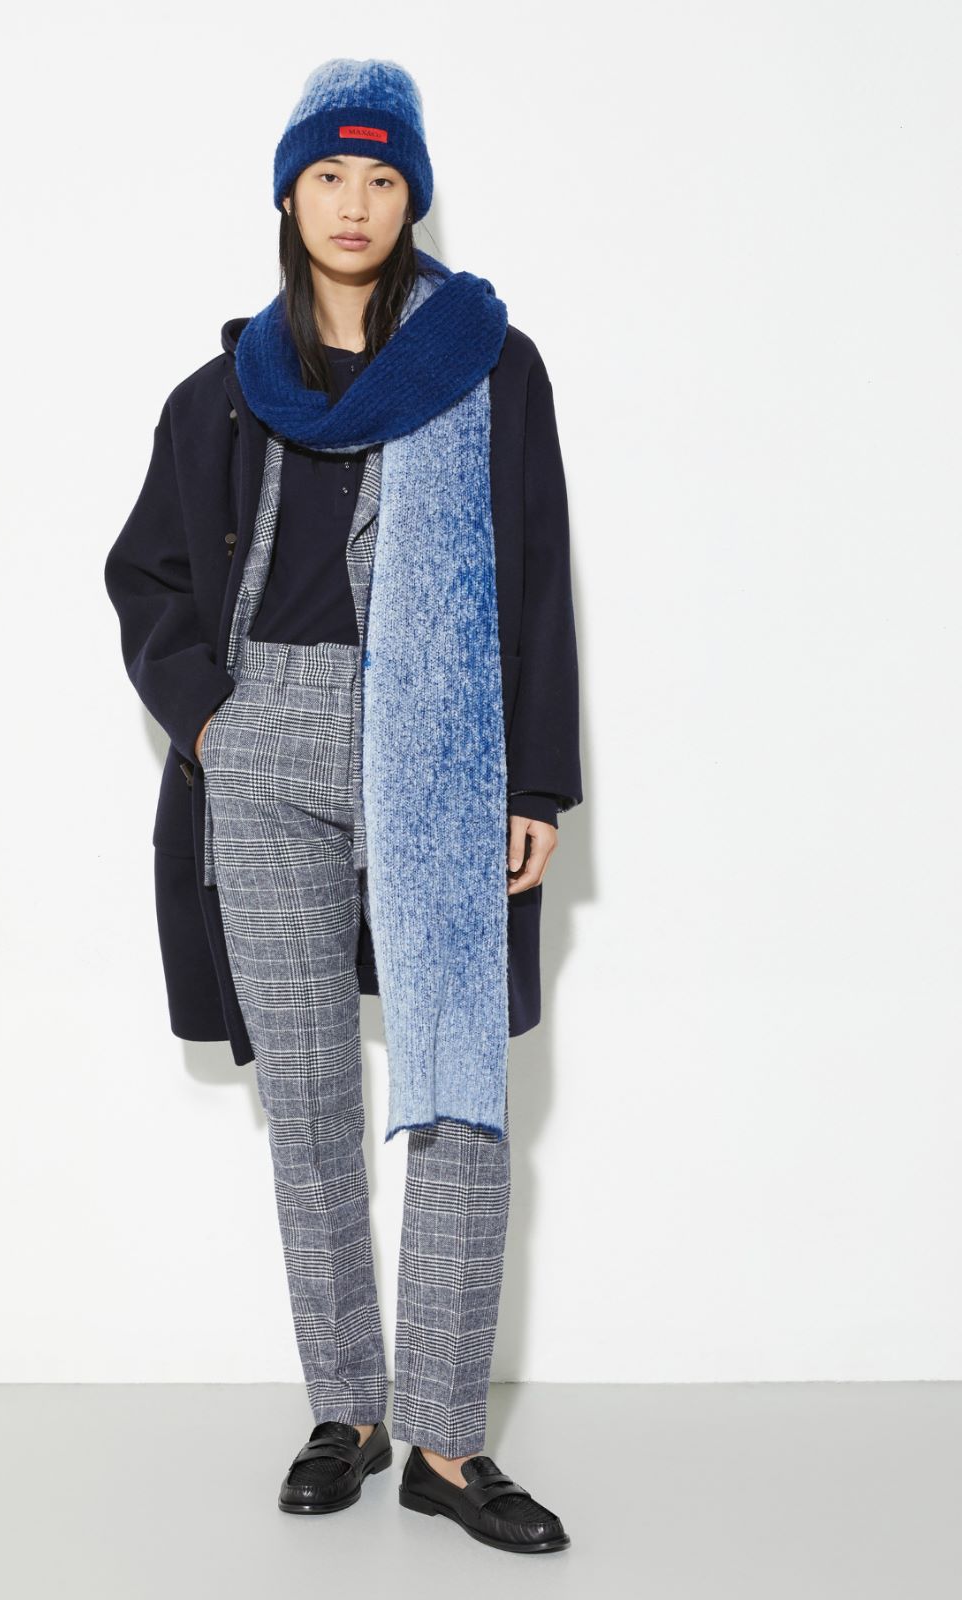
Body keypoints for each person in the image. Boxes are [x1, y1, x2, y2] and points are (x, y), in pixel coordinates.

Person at [104, 58, 581, 1555]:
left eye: (383, 178)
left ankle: (446, 1440)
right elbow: (146, 577)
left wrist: (537, 778)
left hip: (437, 743)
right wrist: (212, 718)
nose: (356, 204)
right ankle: (347, 1411)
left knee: (455, 1090)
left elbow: (539, 575)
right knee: (308, 1099)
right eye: (329, 176)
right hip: (266, 749)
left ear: (412, 196)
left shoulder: (490, 368)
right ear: (289, 196)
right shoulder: (220, 392)